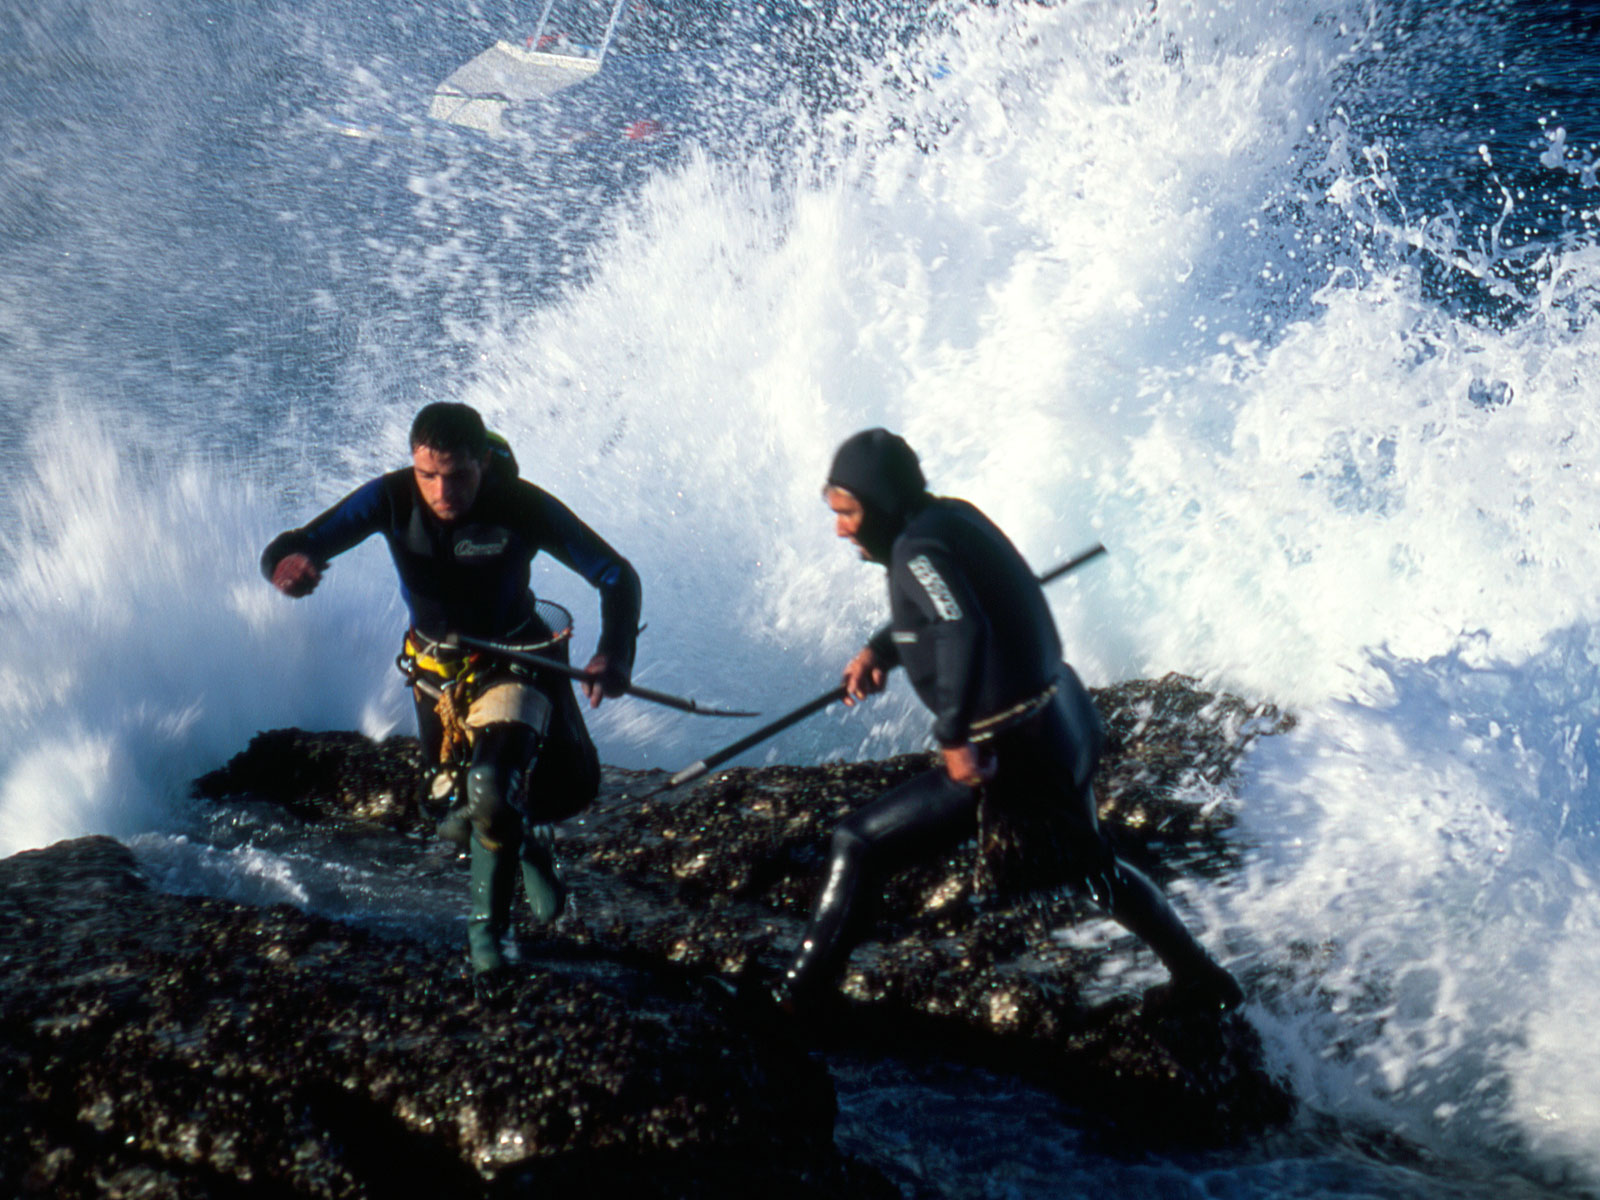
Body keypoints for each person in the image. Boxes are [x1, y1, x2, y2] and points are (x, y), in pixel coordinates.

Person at [773, 428, 1242, 1013]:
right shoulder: (949, 517)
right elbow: (949, 612)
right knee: (1090, 862)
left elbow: (964, 626)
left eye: (848, 512)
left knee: (856, 844)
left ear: (882, 505)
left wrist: (953, 735)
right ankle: (1202, 978)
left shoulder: (914, 552)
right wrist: (880, 650)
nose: (841, 528)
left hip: (1014, 755)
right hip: (1064, 720)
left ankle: (797, 1003)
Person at [261, 401, 641, 980]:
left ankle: (489, 940)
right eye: (428, 475)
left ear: (483, 462)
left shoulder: (519, 503)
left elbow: (616, 574)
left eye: (457, 475)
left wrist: (614, 652)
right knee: (444, 810)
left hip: (516, 661)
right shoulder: (390, 497)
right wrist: (288, 566)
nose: (442, 491)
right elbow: (298, 542)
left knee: (491, 784)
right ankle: (525, 839)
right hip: (436, 674)